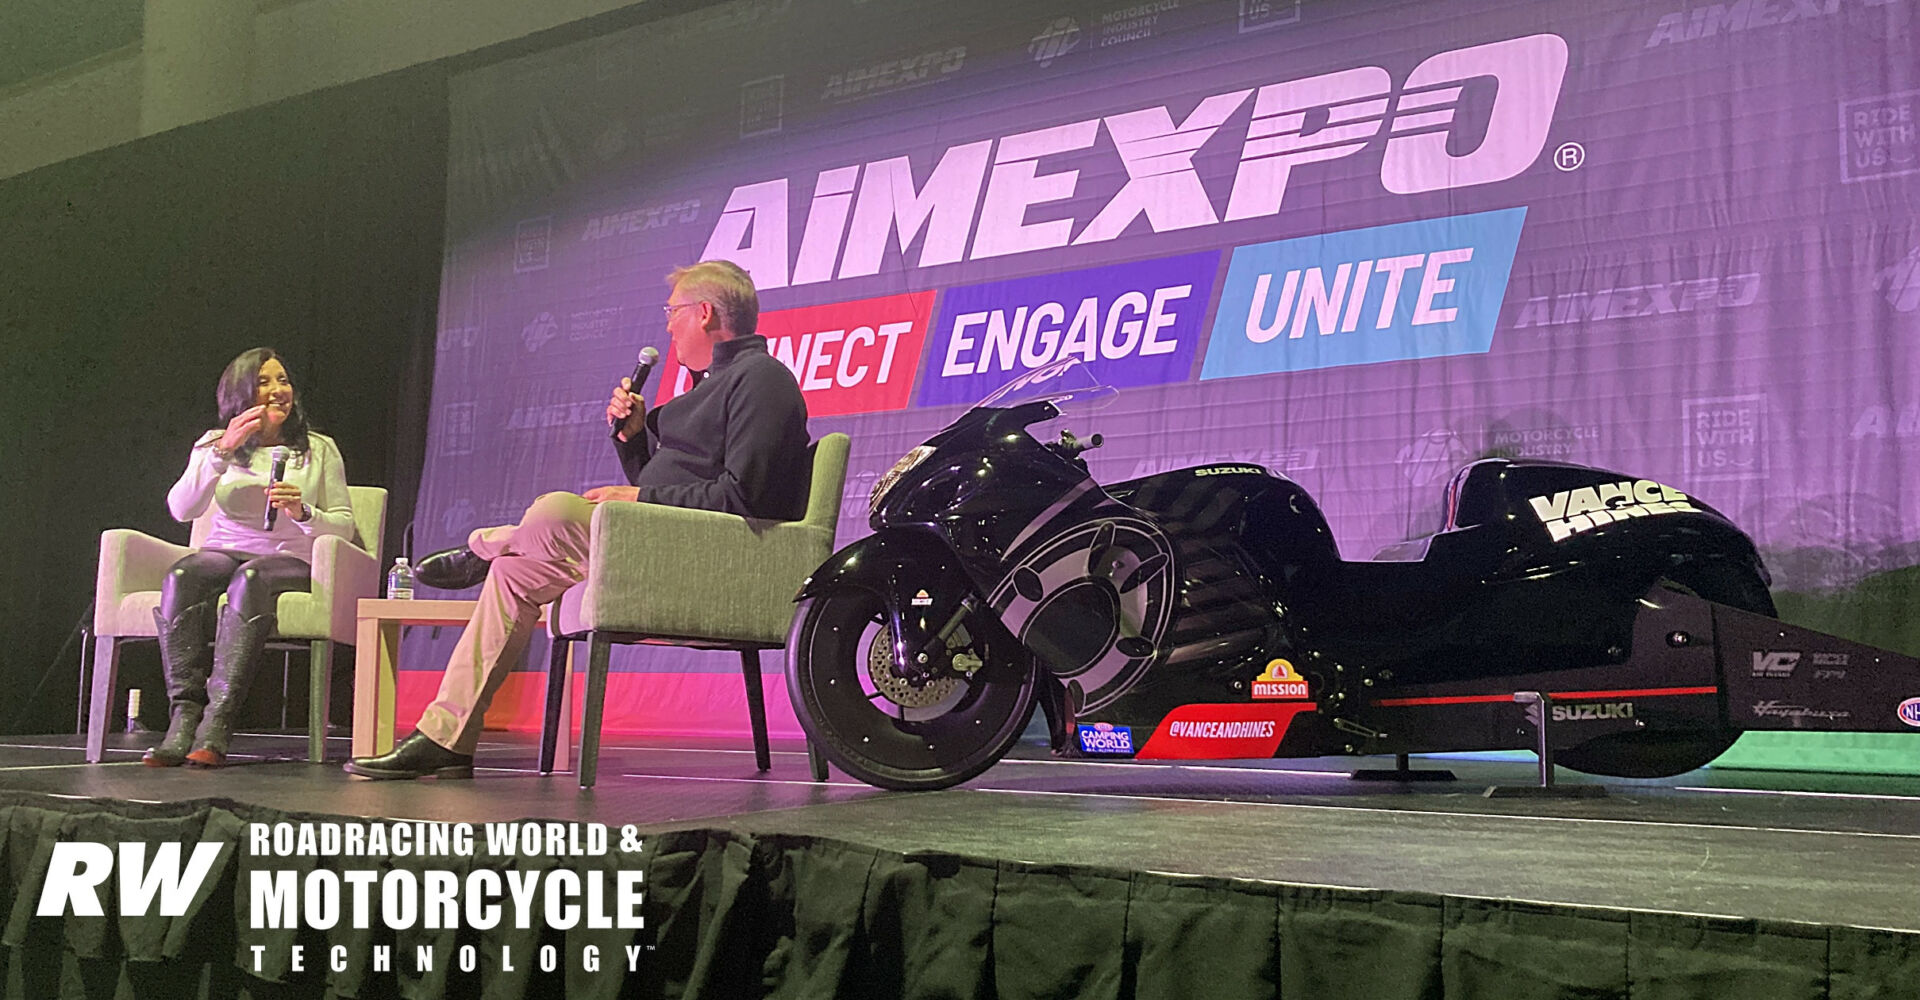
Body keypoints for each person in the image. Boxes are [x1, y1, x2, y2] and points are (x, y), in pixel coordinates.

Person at [345, 260, 810, 780]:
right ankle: (445, 737)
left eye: (673, 312)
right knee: (514, 576)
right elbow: (665, 483)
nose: (667, 325)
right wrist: (634, 440)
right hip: (658, 548)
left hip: (713, 564)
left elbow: (743, 496)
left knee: (554, 510)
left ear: (704, 313)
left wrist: (636, 498)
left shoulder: (762, 379)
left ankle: (482, 546)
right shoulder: (707, 386)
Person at [150, 348, 356, 767]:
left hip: (289, 558)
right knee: (183, 574)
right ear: (240, 394)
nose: (279, 391)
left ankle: (218, 722)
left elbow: (345, 526)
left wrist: (304, 513)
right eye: (264, 382)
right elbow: (181, 509)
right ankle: (184, 716)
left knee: (251, 578)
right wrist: (221, 452)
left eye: (283, 380)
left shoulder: (318, 448)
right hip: (226, 549)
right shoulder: (214, 444)